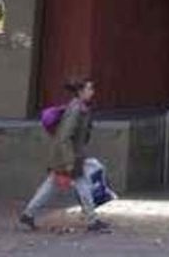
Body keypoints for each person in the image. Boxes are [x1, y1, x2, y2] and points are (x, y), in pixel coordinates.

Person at [19, 77, 110, 233]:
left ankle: (28, 214)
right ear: (81, 92)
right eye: (89, 89)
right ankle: (91, 220)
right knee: (82, 187)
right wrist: (69, 161)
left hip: (68, 155)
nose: (92, 92)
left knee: (51, 186)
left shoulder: (79, 108)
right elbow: (65, 136)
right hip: (69, 157)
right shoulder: (76, 110)